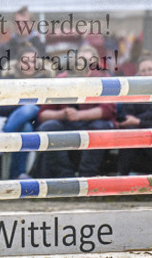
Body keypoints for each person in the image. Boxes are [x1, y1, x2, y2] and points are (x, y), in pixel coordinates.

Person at [30, 44, 117, 179]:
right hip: (66, 124)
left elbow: (107, 110)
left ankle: (87, 178)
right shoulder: (61, 80)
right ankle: (66, 178)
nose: (85, 65)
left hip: (93, 126)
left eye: (90, 62)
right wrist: (63, 114)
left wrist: (79, 115)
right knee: (48, 127)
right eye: (81, 60)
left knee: (99, 127)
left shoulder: (103, 79)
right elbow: (43, 114)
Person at [0, 43, 44, 179]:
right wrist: (20, 106)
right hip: (16, 120)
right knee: (26, 127)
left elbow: (45, 106)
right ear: (18, 63)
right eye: (25, 61)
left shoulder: (44, 81)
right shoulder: (8, 80)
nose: (29, 65)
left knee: (31, 108)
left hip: (37, 120)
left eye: (33, 61)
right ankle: (17, 175)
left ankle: (4, 137)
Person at [117, 56, 152, 175]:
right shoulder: (131, 91)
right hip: (136, 141)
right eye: (143, 71)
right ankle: (121, 181)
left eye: (150, 69)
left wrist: (139, 121)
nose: (147, 73)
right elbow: (126, 120)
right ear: (138, 73)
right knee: (130, 132)